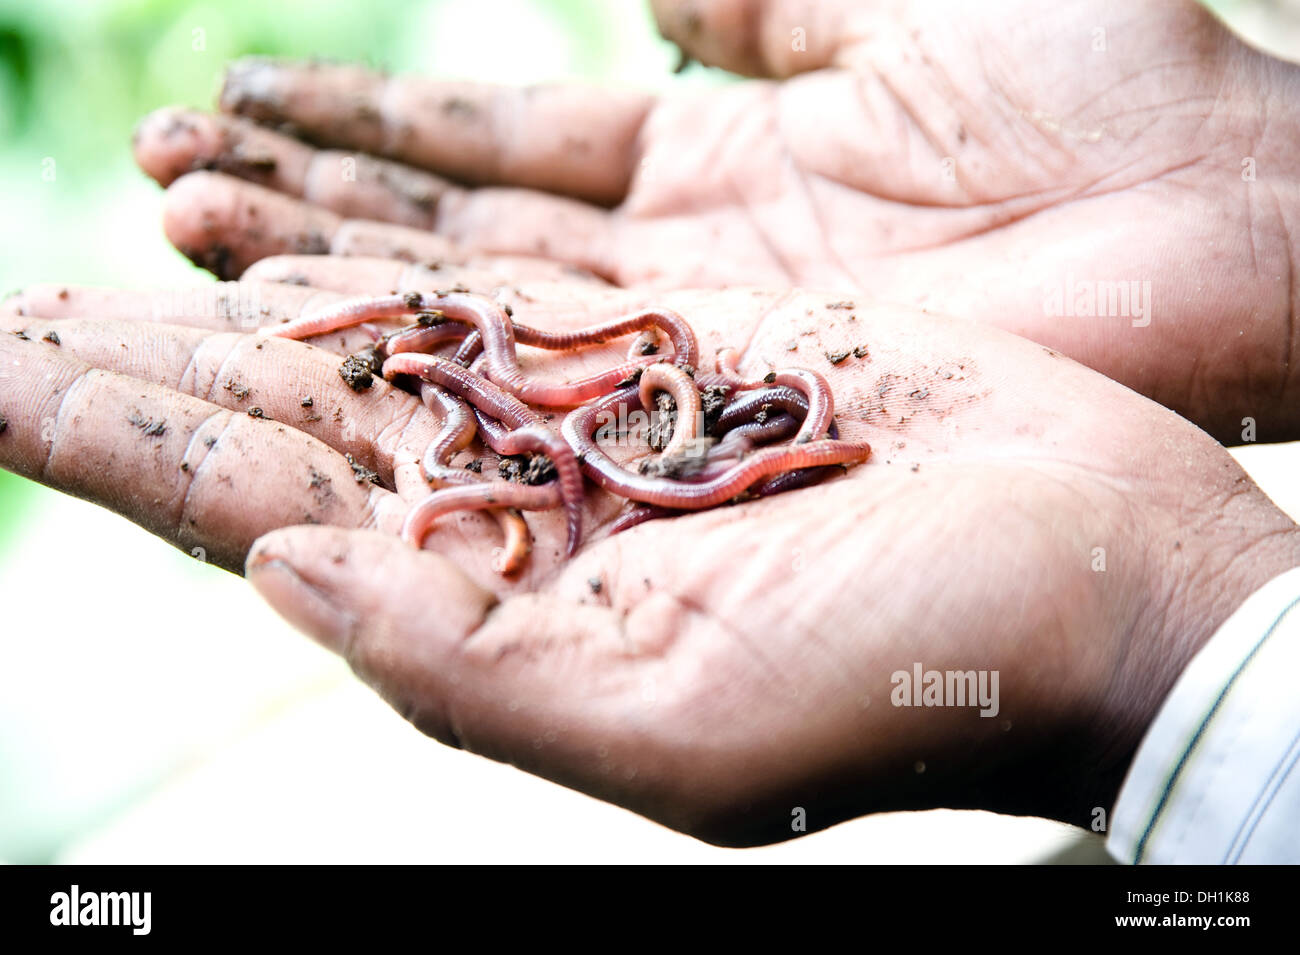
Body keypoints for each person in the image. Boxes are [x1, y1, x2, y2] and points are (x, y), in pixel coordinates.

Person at [0, 0, 1297, 859]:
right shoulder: (542, 404)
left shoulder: (668, 393)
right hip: (614, 418)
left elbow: (644, 389)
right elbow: (545, 398)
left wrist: (1170, 639)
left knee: (576, 415)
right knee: (521, 413)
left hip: (680, 418)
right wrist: (1260, 191)